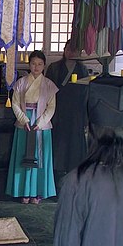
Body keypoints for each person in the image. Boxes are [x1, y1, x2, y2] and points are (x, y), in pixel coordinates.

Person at [6, 50, 58, 204]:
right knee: (23, 155)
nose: (36, 67)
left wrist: (40, 122)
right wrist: (24, 119)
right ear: (29, 65)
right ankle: (23, 191)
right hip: (25, 121)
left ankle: (38, 192)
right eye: (33, 64)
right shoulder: (21, 83)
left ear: (44, 66)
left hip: (41, 123)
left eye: (40, 64)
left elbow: (51, 107)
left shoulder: (49, 85)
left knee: (40, 156)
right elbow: (15, 103)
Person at [45, 40, 90, 177]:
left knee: (74, 143)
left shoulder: (82, 69)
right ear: (64, 50)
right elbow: (47, 89)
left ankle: (74, 172)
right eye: (68, 49)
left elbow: (86, 93)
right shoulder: (54, 67)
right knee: (58, 142)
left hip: (76, 111)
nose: (70, 53)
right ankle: (56, 173)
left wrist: (85, 117)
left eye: (74, 50)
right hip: (58, 110)